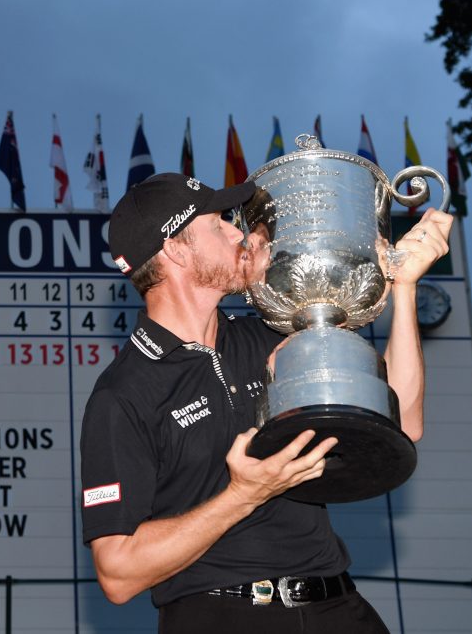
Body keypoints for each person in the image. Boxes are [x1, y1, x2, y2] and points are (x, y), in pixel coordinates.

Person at [79, 172, 453, 633]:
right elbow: (117, 573)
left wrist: (405, 288)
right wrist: (244, 494)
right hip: (220, 617)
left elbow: (403, 421)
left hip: (335, 605)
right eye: (219, 224)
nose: (240, 233)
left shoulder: (272, 338)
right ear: (177, 249)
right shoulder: (124, 394)